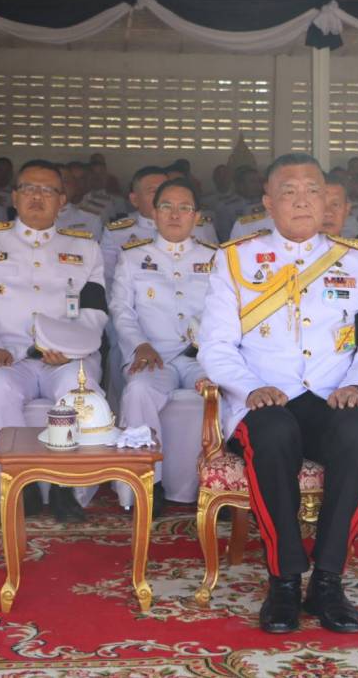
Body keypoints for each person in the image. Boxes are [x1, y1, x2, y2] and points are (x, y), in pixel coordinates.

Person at [199, 153, 358, 635]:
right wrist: (250, 388)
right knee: (273, 432)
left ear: (327, 200)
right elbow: (215, 346)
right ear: (268, 202)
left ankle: (328, 580)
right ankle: (284, 580)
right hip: (265, 399)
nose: (302, 200)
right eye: (289, 191)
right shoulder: (235, 259)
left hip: (332, 396)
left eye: (312, 191)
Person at [0, 159, 109, 522]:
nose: (37, 197)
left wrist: (71, 348)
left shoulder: (85, 248)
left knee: (79, 391)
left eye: (47, 191)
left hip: (67, 357)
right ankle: (19, 488)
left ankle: (63, 487)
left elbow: (94, 311)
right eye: (29, 189)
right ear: (14, 196)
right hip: (5, 354)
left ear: (62, 200)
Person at [110, 178, 217, 513]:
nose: (175, 214)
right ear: (154, 213)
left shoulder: (216, 258)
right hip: (153, 357)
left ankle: (217, 483)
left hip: (200, 358)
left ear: (196, 216)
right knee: (139, 390)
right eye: (167, 206)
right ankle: (146, 484)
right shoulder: (132, 258)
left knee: (224, 392)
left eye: (184, 208)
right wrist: (139, 345)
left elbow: (227, 311)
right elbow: (121, 311)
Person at [99, 166, 169, 287]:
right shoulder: (116, 232)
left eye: (166, 190)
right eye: (153, 191)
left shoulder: (195, 228)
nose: (162, 197)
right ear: (134, 199)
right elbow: (107, 277)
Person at [56, 164, 102, 238]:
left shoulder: (90, 219)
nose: (61, 186)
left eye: (65, 181)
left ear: (74, 185)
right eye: (56, 181)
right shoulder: (36, 217)